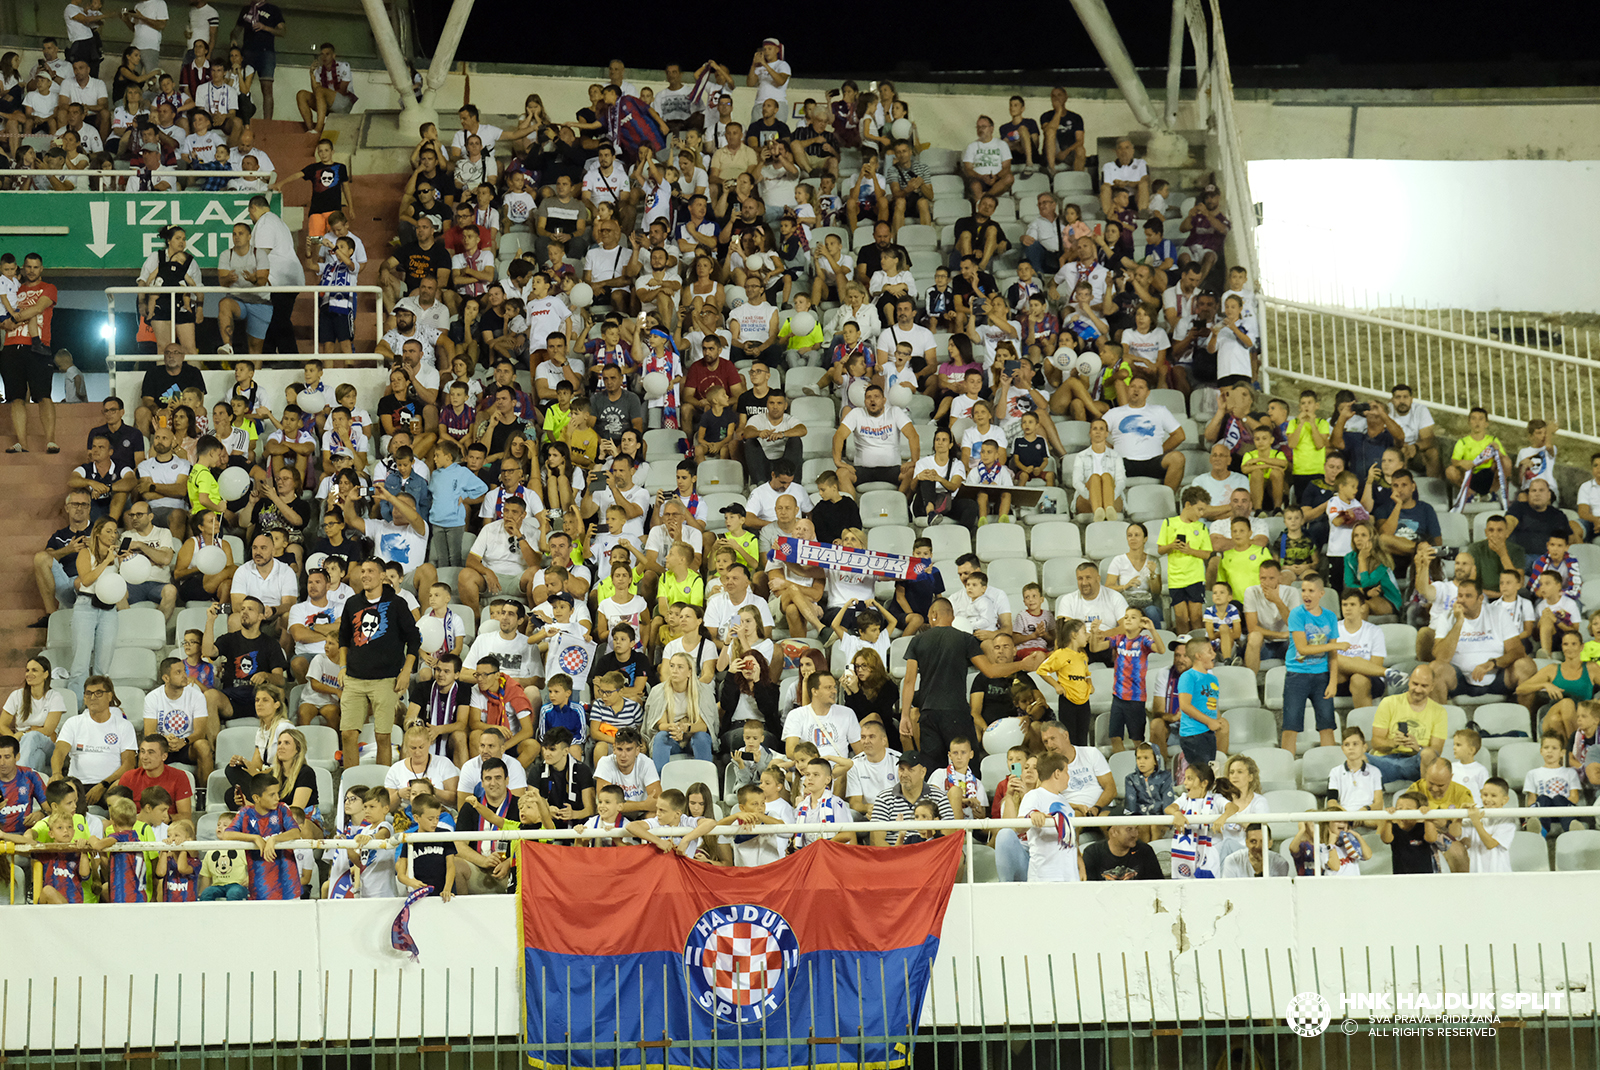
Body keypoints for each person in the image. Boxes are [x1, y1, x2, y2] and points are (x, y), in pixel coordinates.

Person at [337, 558, 420, 769]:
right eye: (362, 571)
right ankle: (351, 785)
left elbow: (413, 639)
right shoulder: (352, 603)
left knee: (383, 736)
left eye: (370, 571)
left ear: (382, 576)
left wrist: (406, 671)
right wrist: (343, 667)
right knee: (347, 734)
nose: (364, 575)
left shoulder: (398, 604)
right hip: (354, 677)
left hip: (386, 679)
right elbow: (344, 638)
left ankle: (383, 787)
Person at [867, 751, 953, 845]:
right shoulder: (884, 798)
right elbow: (876, 841)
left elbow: (948, 837)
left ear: (923, 772)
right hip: (896, 856)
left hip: (931, 854)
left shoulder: (939, 797)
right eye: (901, 769)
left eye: (911, 770)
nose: (904, 774)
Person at [1082, 819, 1164, 880]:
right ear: (1114, 832)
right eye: (1129, 829)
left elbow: (1157, 884)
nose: (1135, 834)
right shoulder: (1093, 852)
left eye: (1136, 828)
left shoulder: (1144, 850)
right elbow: (1088, 889)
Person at [1220, 825, 1293, 878]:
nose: (1258, 846)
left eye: (1263, 841)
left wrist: (1260, 869)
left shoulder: (1280, 863)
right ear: (1246, 842)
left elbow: (1275, 893)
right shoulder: (1232, 860)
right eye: (1253, 841)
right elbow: (1228, 891)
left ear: (1270, 843)